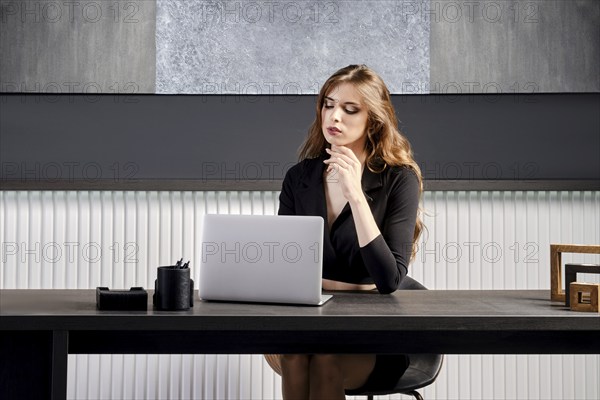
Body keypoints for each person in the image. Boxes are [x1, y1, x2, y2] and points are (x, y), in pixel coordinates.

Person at [265, 64, 423, 399]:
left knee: (325, 358)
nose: (334, 117)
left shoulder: (399, 179)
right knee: (295, 353)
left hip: (372, 326)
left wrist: (355, 193)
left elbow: (389, 279)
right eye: (328, 104)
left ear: (373, 121)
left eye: (350, 109)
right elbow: (284, 265)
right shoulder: (300, 177)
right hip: (309, 317)